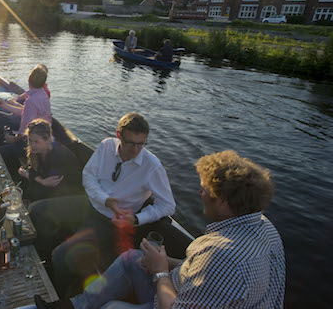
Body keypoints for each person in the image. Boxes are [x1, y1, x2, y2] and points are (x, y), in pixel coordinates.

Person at [35, 150, 286, 309]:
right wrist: (165, 261)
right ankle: (75, 305)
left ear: (222, 201)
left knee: (112, 307)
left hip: (171, 301)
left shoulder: (222, 254)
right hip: (183, 287)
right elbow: (204, 272)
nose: (199, 193)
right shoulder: (266, 228)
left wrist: (160, 272)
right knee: (132, 257)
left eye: (205, 190)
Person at [51, 112, 176, 297]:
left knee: (60, 255)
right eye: (130, 143)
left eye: (141, 144)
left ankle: (60, 298)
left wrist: (136, 219)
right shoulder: (106, 146)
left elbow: (168, 205)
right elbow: (88, 176)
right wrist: (105, 199)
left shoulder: (152, 166)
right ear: (118, 136)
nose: (135, 150)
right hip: (90, 203)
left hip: (109, 220)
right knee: (37, 212)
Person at [0, 65, 52, 174]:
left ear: (29, 80)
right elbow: (26, 112)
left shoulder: (32, 101)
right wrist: (4, 105)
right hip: (38, 137)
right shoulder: (42, 94)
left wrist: (14, 139)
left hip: (31, 142)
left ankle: (5, 175)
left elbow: (25, 130)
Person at [17, 118, 83, 202]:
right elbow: (34, 171)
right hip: (52, 186)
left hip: (69, 193)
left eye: (36, 142)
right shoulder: (38, 151)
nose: (32, 145)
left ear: (48, 139)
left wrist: (28, 175)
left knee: (33, 192)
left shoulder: (58, 156)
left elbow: (51, 183)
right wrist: (40, 180)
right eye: (30, 140)